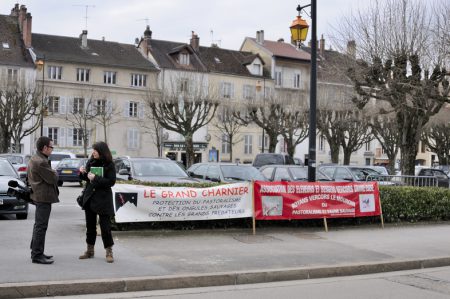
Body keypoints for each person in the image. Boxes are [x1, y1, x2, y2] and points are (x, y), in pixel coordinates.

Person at [78, 141, 116, 263]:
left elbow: (111, 182)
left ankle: (109, 251)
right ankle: (90, 250)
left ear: (101, 151)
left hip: (103, 199)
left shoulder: (109, 164)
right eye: (93, 150)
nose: (93, 152)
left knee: (105, 227)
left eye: (95, 150)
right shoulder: (91, 161)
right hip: (90, 198)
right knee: (90, 226)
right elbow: (86, 179)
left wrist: (96, 178)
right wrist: (82, 172)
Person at [28, 136, 59, 264]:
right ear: (45, 148)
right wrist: (54, 172)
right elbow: (53, 178)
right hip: (43, 197)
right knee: (41, 226)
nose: (52, 149)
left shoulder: (36, 158)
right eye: (51, 147)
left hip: (39, 196)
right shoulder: (41, 161)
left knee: (39, 226)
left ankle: (37, 252)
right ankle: (37, 255)